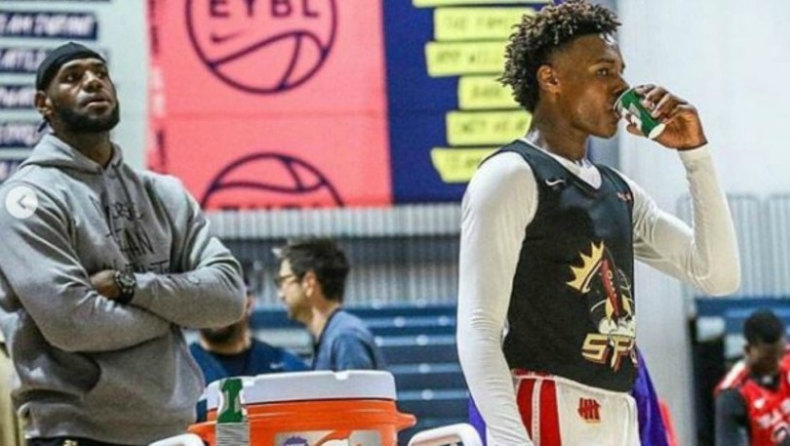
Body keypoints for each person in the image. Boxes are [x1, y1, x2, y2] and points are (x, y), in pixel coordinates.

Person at [456, 2, 740, 445]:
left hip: (619, 409)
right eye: (604, 72)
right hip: (546, 402)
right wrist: (509, 437)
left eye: (621, 71)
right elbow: (478, 325)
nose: (622, 86)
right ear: (551, 79)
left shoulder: (620, 190)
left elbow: (718, 276)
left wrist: (695, 154)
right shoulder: (510, 175)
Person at [0, 42, 246, 446]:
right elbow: (73, 324)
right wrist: (177, 312)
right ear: (44, 104)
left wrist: (132, 287)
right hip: (77, 432)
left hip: (177, 429)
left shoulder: (164, 193)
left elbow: (229, 299)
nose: (92, 82)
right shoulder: (27, 198)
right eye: (73, 77)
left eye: (100, 73)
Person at [273, 237, 386, 371]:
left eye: (283, 281)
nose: (280, 294)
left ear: (309, 282)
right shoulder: (335, 335)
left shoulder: (345, 338)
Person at [189, 269, 309, 385]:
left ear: (248, 303)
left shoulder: (284, 368)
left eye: (225, 300)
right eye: (206, 301)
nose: (215, 309)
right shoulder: (182, 370)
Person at [715, 309, 790, 446]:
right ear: (748, 350)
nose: (776, 364)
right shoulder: (733, 394)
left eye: (780, 354)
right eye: (768, 358)